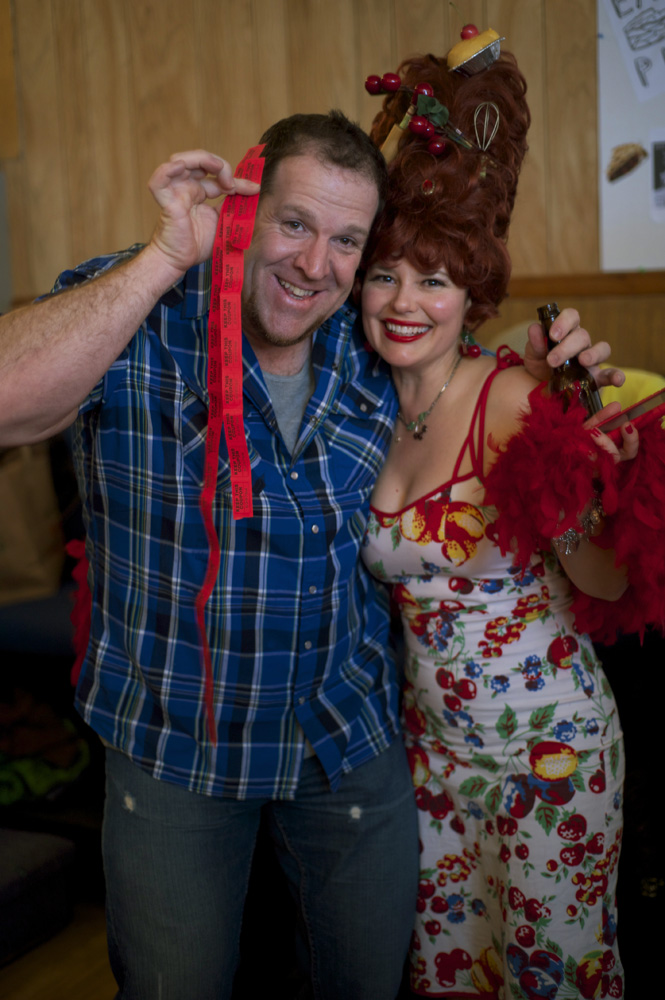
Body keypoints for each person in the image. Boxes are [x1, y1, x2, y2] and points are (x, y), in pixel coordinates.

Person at [0, 110, 622, 999]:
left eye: (346, 242)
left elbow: (461, 373)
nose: (314, 263)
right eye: (294, 224)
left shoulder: (365, 344)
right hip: (178, 744)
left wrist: (554, 383)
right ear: (244, 213)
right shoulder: (144, 309)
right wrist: (166, 255)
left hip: (352, 745)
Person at [358, 51, 636, 998]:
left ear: (470, 293)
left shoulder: (510, 401)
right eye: (385, 275)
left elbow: (604, 580)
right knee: (448, 979)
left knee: (552, 982)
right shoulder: (362, 411)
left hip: (550, 753)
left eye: (434, 281)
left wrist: (572, 486)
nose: (405, 303)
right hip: (432, 760)